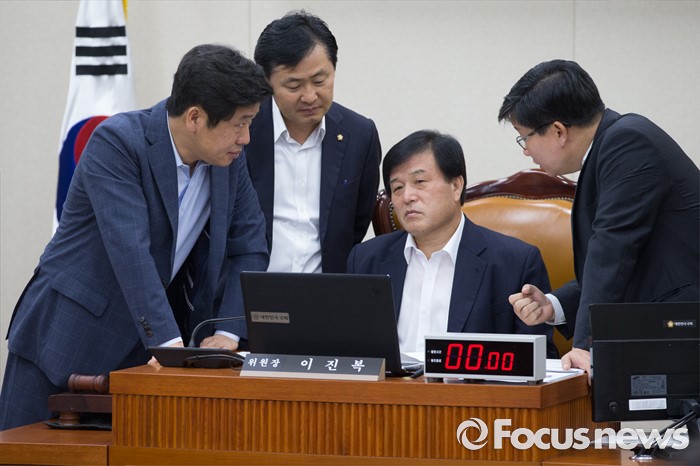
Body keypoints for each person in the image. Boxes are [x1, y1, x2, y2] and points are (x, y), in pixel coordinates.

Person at [0, 44, 272, 430]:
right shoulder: (117, 143)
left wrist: (228, 333)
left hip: (143, 357)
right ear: (195, 118)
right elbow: (131, 251)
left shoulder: (228, 160)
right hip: (64, 340)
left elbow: (250, 244)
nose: (246, 138)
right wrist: (171, 348)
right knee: (22, 453)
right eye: (240, 123)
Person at [498, 59, 700, 373]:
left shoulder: (628, 142)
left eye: (524, 138)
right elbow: (617, 265)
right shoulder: (613, 144)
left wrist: (584, 344)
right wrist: (553, 305)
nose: (526, 151)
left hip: (683, 334)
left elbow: (612, 252)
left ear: (558, 131)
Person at [346, 130, 557, 357]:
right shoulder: (366, 259)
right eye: (397, 188)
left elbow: (539, 360)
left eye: (420, 182)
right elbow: (349, 351)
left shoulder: (514, 263)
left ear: (456, 186)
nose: (407, 197)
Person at [246, 11, 381, 273]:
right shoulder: (243, 130)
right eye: (293, 86)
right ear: (266, 82)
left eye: (320, 81)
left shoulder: (360, 135)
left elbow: (357, 225)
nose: (309, 96)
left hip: (326, 290)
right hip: (250, 287)